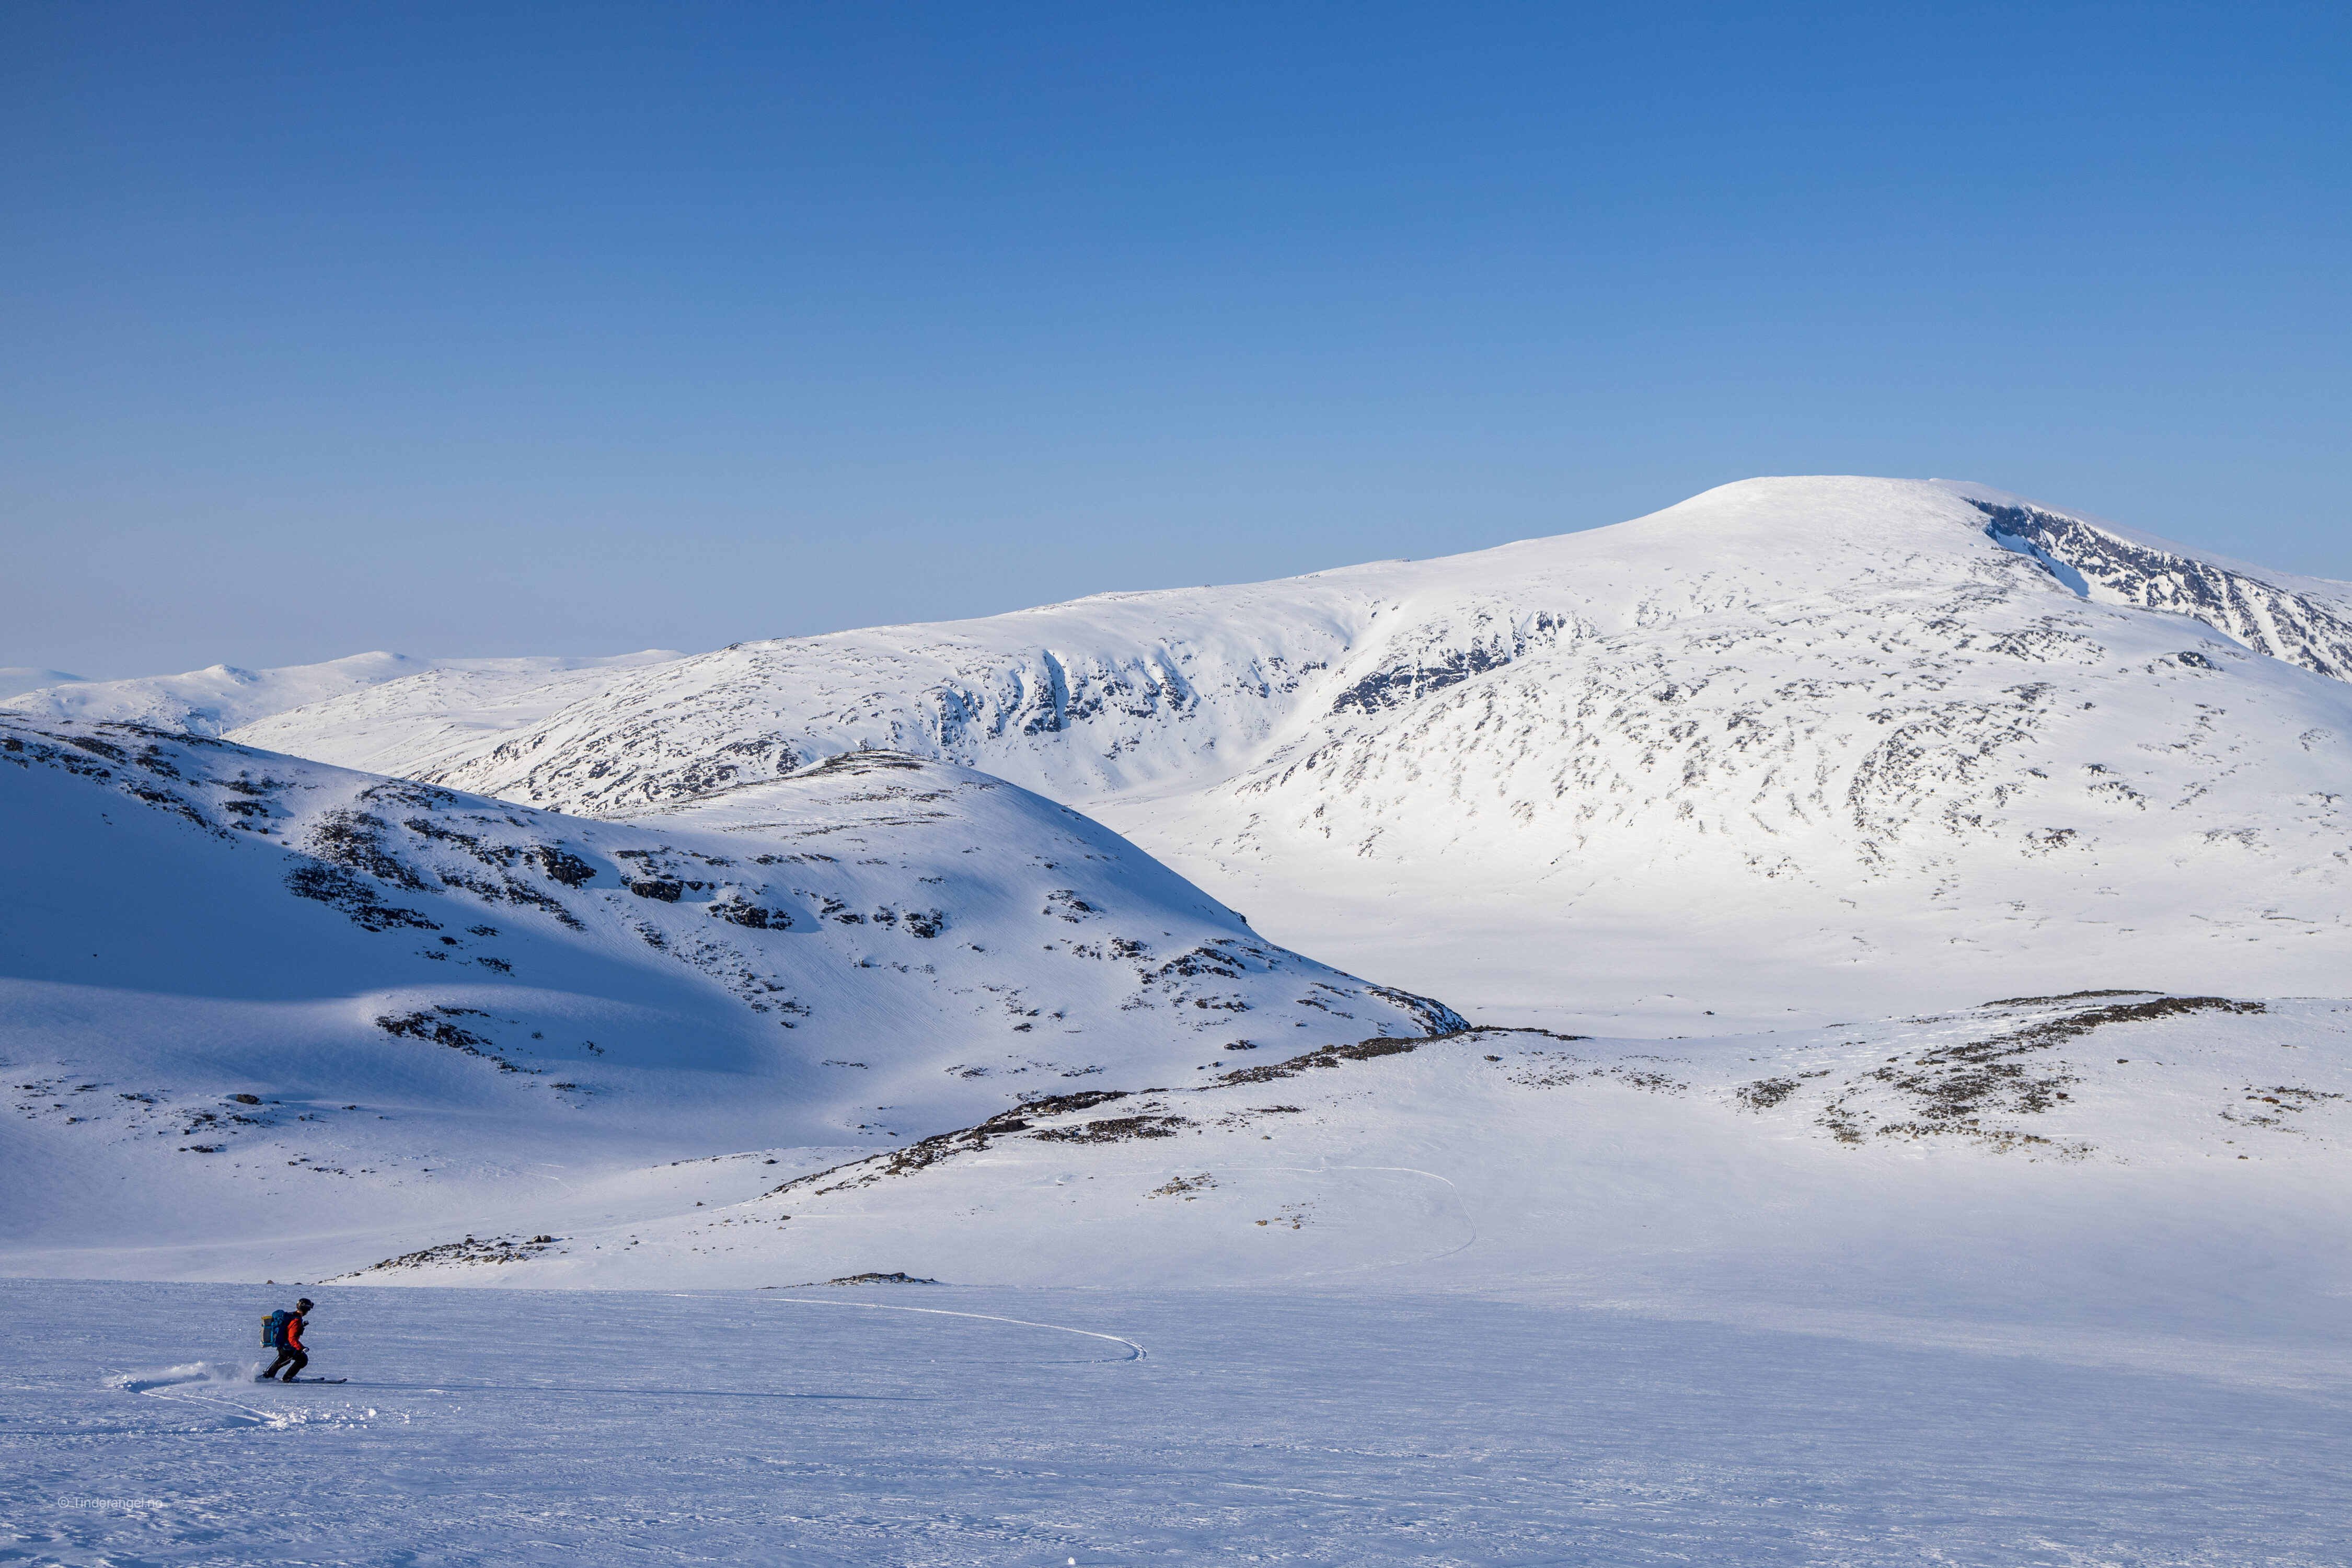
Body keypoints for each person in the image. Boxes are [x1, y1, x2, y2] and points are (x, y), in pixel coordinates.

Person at [261, 1298, 314, 1382]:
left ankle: (268, 1377)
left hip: (283, 1345)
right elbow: (292, 1339)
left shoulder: (292, 1315)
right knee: (303, 1360)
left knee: (283, 1361)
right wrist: (302, 1348)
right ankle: (288, 1378)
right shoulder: (297, 1320)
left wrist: (302, 1326)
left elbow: (289, 1329)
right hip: (288, 1347)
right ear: (306, 1310)